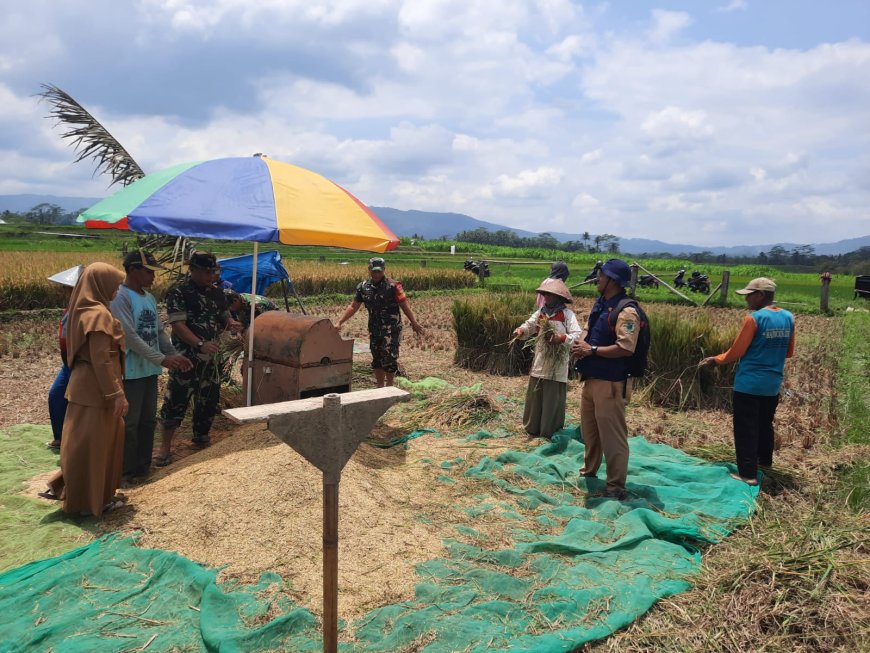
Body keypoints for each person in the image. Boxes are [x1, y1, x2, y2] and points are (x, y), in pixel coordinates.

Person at [41, 263, 128, 517]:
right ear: (101, 284)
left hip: (85, 387)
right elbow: (101, 359)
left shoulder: (82, 310)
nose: (116, 291)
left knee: (82, 444)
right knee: (94, 447)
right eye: (114, 285)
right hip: (96, 391)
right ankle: (90, 502)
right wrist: (116, 394)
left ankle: (74, 491)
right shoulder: (98, 315)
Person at [699, 277, 795, 486]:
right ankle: (764, 463)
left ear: (760, 295)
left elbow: (737, 351)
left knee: (745, 428)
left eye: (749, 295)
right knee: (764, 424)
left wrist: (716, 360)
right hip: (772, 384)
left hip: (749, 384)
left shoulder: (754, 319)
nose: (747, 300)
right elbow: (789, 352)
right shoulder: (789, 317)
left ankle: (748, 474)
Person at [111, 250, 192, 484]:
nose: (153, 277)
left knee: (147, 420)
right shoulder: (120, 297)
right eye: (149, 272)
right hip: (131, 370)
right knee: (130, 422)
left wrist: (173, 354)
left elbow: (158, 332)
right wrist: (162, 359)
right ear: (133, 270)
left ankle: (143, 467)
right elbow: (129, 336)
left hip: (149, 370)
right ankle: (125, 471)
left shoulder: (148, 298)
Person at [155, 252, 240, 466]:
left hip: (211, 358)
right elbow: (178, 325)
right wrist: (199, 343)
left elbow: (224, 316)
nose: (211, 276)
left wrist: (232, 323)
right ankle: (165, 448)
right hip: (186, 358)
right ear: (193, 270)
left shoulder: (218, 293)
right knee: (177, 400)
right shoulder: (180, 292)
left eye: (214, 272)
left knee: (208, 399)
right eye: (207, 272)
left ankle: (201, 439)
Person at [571, 259, 640, 500]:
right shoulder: (601, 303)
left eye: (601, 276)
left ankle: (615, 486)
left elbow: (626, 347)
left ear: (612, 281)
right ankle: (589, 471)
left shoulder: (627, 311)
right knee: (590, 432)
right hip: (591, 379)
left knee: (612, 436)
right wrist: (581, 341)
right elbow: (590, 329)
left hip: (610, 382)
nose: (597, 279)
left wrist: (591, 350)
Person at [336, 257, 424, 387]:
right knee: (376, 358)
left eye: (379, 271)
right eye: (374, 271)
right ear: (369, 270)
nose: (377, 274)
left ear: (384, 270)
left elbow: (404, 306)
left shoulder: (394, 286)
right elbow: (354, 306)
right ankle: (379, 387)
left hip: (391, 329)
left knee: (389, 358)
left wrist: (414, 323)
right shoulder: (363, 287)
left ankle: (389, 387)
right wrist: (339, 322)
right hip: (374, 328)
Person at [514, 278, 582, 438]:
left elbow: (577, 335)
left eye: (549, 295)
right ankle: (532, 428)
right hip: (540, 360)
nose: (546, 297)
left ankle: (548, 431)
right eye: (545, 294)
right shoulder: (541, 313)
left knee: (552, 399)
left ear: (558, 297)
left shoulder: (566, 315)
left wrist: (561, 338)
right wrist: (521, 330)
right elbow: (529, 325)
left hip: (556, 365)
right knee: (535, 397)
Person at [46, 265, 83, 450]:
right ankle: (61, 437)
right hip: (67, 363)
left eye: (67, 288)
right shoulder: (69, 309)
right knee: (56, 396)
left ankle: (73, 440)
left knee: (75, 402)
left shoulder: (84, 311)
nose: (64, 291)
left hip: (78, 364)